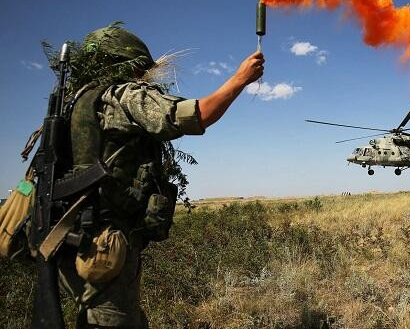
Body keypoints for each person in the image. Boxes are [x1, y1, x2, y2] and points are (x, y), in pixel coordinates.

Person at [43, 23, 264, 328]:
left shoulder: (74, 105)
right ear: (126, 64)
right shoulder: (121, 96)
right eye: (139, 70)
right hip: (104, 244)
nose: (143, 77)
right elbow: (193, 115)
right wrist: (240, 79)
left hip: (65, 238)